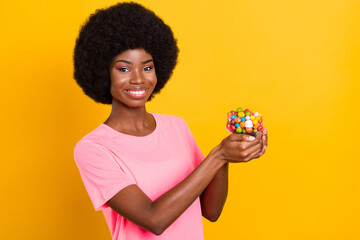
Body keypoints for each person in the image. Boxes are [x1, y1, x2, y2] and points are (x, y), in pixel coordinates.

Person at [73, 2, 268, 240]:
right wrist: (219, 155)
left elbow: (211, 211)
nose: (138, 79)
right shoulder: (94, 149)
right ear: (103, 73)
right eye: (124, 69)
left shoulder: (176, 126)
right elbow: (153, 219)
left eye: (147, 67)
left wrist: (226, 157)